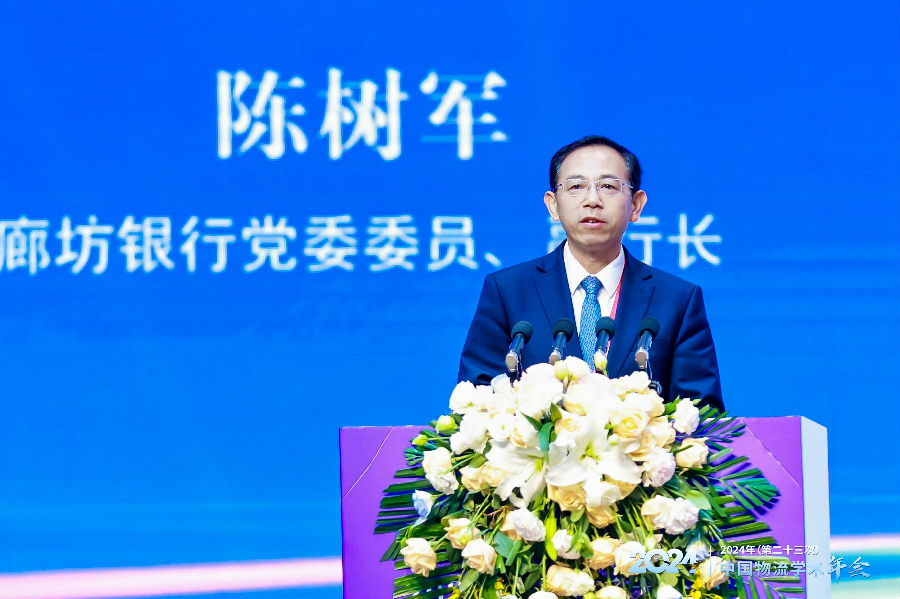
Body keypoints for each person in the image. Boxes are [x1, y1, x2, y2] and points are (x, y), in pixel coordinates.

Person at [458, 135, 724, 410]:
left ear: (635, 205)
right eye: (576, 186)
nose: (592, 200)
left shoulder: (677, 299)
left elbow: (702, 415)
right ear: (553, 205)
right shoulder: (508, 291)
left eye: (608, 186)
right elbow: (476, 404)